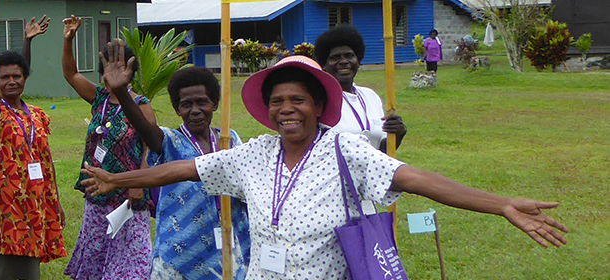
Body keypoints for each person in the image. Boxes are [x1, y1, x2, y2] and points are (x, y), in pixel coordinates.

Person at [79, 56, 569, 279]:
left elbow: (415, 180)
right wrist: (117, 180)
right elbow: (181, 169)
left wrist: (501, 203)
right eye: (276, 101)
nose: (285, 109)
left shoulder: (346, 149)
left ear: (317, 105)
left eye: (297, 100)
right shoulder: (255, 153)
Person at [61, 18, 162, 280]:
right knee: (96, 258)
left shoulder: (140, 104)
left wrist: (140, 181)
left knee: (130, 264)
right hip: (96, 191)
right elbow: (71, 74)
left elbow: (151, 146)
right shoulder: (99, 98)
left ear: (130, 72)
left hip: (128, 194)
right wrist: (68, 40)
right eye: (107, 67)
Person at [142, 67, 253, 280]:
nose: (195, 110)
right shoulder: (170, 142)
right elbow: (146, 129)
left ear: (215, 104)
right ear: (177, 109)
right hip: (179, 256)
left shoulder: (230, 141)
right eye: (186, 105)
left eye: (202, 102)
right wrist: (120, 92)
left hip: (229, 244)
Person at [0, 49, 66, 279]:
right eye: (5, 77)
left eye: (17, 76)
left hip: (35, 205)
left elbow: (46, 162)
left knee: (29, 268)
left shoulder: (38, 115)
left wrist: (56, 201)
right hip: (2, 206)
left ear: (25, 79)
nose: (12, 81)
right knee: (0, 269)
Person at [312, 25, 408, 151]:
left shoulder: (370, 96)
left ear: (358, 60)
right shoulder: (321, 100)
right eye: (335, 57)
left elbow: (380, 153)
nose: (344, 61)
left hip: (373, 170)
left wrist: (397, 134)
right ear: (324, 65)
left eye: (349, 56)